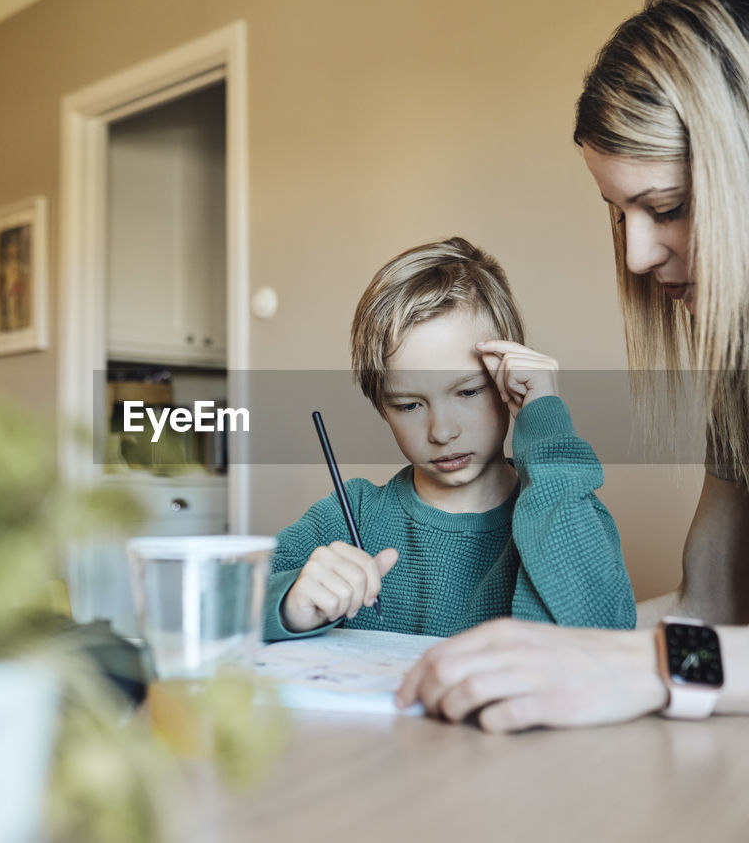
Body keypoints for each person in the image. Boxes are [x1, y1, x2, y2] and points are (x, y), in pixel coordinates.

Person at [397, 0, 749, 730]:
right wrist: (513, 654)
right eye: (621, 216)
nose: (638, 255)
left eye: (668, 206)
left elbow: (692, 647)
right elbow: (705, 607)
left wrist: (659, 666)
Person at [263, 237, 636, 642]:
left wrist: (544, 422)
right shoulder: (348, 513)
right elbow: (220, 601)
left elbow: (600, 630)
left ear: (508, 380)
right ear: (381, 406)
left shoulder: (564, 506)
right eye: (408, 405)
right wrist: (288, 606)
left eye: (468, 392)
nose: (441, 431)